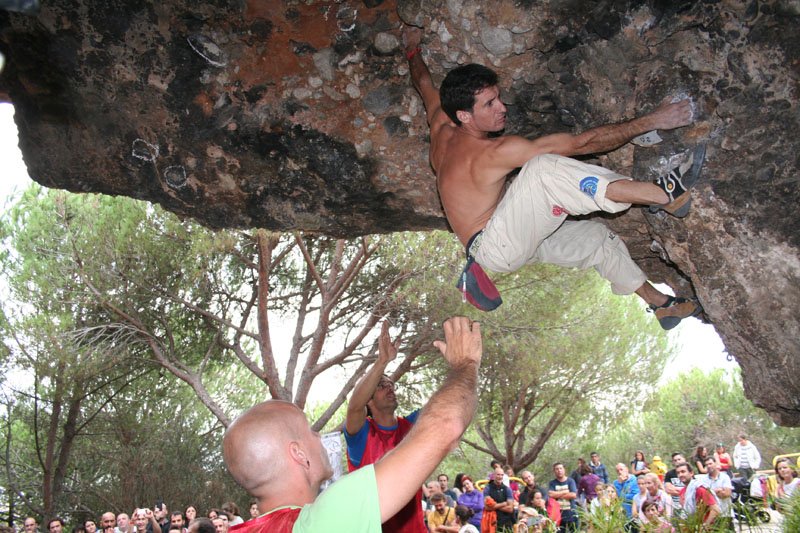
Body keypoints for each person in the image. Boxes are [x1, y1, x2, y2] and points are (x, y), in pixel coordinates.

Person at [403, 26, 704, 328]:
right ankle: (664, 194)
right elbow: (582, 144)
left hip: (504, 241)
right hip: (498, 243)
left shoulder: (440, 123)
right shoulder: (490, 152)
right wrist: (653, 120)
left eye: (498, 97)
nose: (502, 108)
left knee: (597, 239)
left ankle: (661, 304)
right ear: (464, 116)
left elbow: (423, 82)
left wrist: (412, 50)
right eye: (490, 104)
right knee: (543, 170)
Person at [223, 317, 482, 532]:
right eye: (310, 431)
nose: (319, 436)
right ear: (299, 454)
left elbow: (438, 416)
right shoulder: (328, 517)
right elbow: (445, 423)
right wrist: (466, 364)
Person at [344, 321, 424, 532]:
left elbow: (446, 406)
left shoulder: (412, 425)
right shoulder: (361, 435)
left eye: (391, 384)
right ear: (369, 401)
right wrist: (382, 361)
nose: (389, 387)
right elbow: (354, 406)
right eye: (381, 385)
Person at [675, 463, 720, 528]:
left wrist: (705, 526)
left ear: (691, 473)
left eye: (683, 472)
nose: (680, 475)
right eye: (678, 473)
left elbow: (715, 510)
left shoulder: (699, 489)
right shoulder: (682, 491)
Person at [703, 456, 733, 529]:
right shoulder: (703, 479)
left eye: (710, 463)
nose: (708, 466)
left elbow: (727, 493)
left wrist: (711, 492)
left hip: (725, 513)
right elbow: (705, 496)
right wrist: (718, 490)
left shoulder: (725, 477)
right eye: (706, 465)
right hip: (712, 515)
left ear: (716, 464)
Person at [548, 463, 578, 532]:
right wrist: (565, 492)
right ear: (554, 471)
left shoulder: (570, 481)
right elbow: (551, 495)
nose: (559, 470)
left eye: (560, 468)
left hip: (571, 512)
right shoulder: (552, 483)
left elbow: (573, 495)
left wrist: (557, 494)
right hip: (558, 513)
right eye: (557, 469)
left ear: (564, 470)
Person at [484, 466, 516, 532]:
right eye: (498, 474)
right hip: (491, 522)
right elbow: (487, 507)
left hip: (506, 523)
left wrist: (494, 506)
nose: (500, 477)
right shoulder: (487, 488)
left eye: (502, 475)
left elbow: (510, 509)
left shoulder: (507, 489)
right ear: (494, 475)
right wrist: (503, 504)